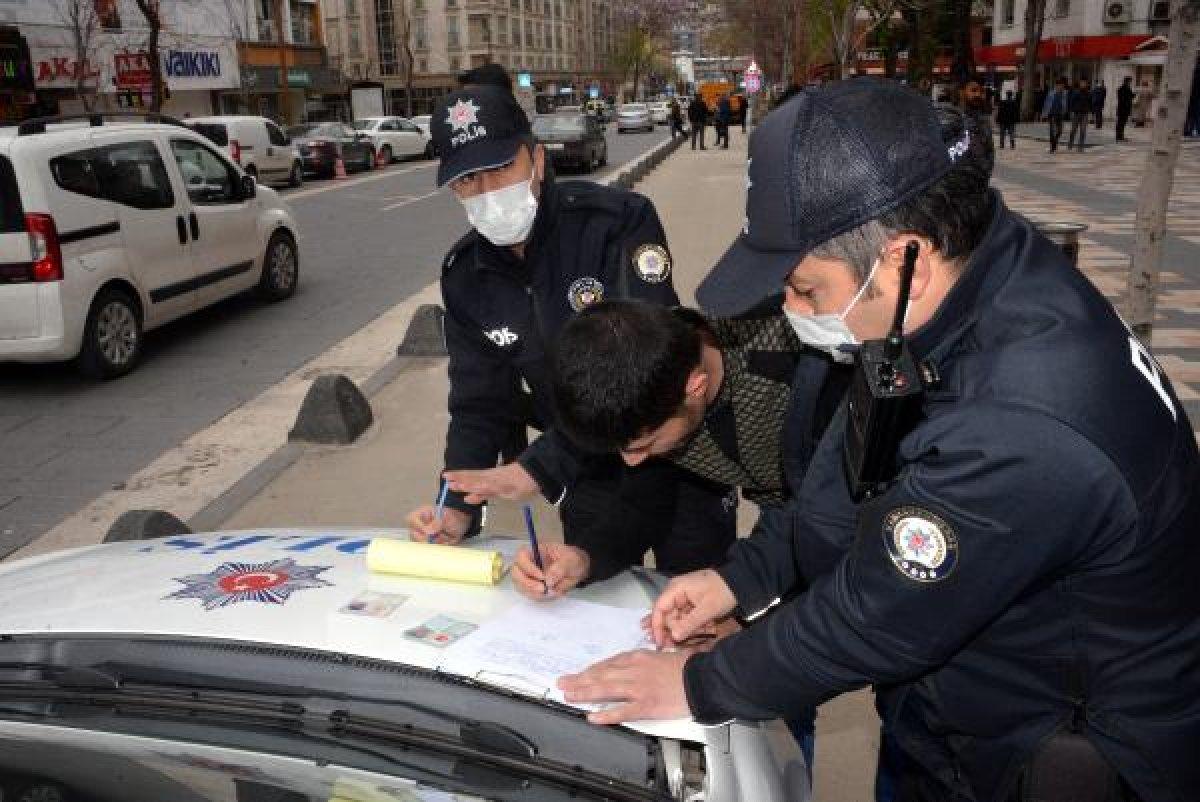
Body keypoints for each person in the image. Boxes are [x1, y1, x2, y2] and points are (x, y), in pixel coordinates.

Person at [557, 77, 1200, 802]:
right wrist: (745, 576)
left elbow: (880, 615)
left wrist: (697, 682)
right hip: (958, 716)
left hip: (1050, 756)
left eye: (805, 289)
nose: (794, 312)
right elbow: (843, 474)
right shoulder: (946, 292)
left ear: (906, 260)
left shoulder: (1019, 419)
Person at [405, 83, 736, 580]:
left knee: (693, 606)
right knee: (584, 584)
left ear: (536, 160)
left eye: (501, 168)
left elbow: (647, 370)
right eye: (467, 180)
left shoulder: (616, 222)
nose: (487, 191)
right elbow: (478, 402)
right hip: (583, 468)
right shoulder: (465, 275)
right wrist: (456, 504)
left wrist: (537, 469)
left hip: (674, 450)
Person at [1041, 77, 1068, 152]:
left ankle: (1055, 141)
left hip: (1060, 114)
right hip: (1052, 114)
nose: (1060, 87)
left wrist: (1065, 111)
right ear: (1056, 86)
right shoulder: (1051, 93)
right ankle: (1052, 146)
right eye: (1059, 85)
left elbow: (1066, 103)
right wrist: (1044, 114)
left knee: (1059, 131)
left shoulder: (1065, 93)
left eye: (1062, 85)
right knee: (1052, 130)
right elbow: (1046, 103)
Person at [1067, 78, 1092, 152]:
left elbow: (1090, 104)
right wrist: (1071, 111)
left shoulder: (1088, 93)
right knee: (1073, 130)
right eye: (1082, 83)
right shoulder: (1076, 92)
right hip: (1076, 113)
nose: (1083, 85)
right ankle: (1070, 143)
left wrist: (1090, 113)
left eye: (1085, 83)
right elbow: (1071, 102)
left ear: (1087, 84)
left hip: (1084, 114)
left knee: (1083, 130)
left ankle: (1080, 146)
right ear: (1080, 84)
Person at [1116, 76, 1135, 141]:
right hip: (1123, 109)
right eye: (1129, 81)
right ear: (1127, 81)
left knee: (1121, 123)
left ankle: (1119, 135)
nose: (1130, 83)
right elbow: (1127, 98)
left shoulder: (1123, 89)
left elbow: (1130, 96)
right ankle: (1119, 136)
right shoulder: (1124, 89)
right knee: (1121, 123)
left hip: (1122, 109)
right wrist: (1132, 96)